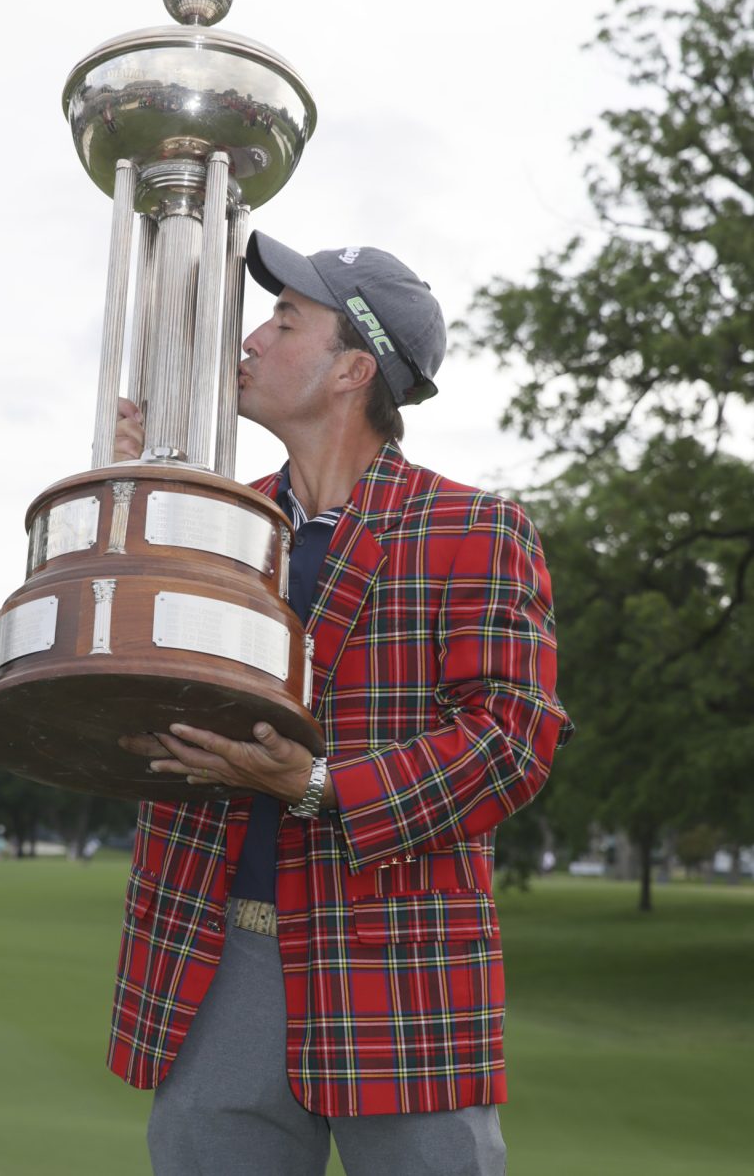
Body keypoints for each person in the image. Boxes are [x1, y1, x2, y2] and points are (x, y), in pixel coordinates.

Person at [109, 232, 573, 1176]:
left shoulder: (477, 528)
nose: (249, 338)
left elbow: (509, 739)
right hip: (212, 964)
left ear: (351, 370)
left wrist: (319, 783)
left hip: (397, 966)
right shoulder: (211, 519)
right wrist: (136, 501)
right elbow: (122, 671)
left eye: (284, 321)